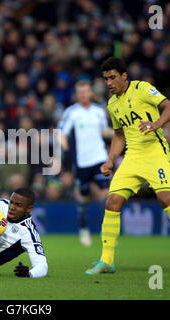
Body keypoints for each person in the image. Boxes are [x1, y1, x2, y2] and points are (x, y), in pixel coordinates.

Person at [85, 57, 170, 275]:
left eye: (112, 77)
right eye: (105, 79)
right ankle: (107, 260)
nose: (108, 83)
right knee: (113, 202)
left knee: (165, 198)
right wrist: (110, 160)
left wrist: (155, 124)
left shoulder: (143, 89)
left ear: (124, 76)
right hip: (133, 157)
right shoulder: (112, 104)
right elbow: (119, 135)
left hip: (156, 152)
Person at [60, 80, 113, 246]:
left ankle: (108, 232)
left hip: (100, 158)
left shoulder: (98, 111)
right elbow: (62, 132)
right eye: (80, 92)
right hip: (82, 162)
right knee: (83, 197)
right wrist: (65, 146)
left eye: (86, 91)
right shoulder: (72, 112)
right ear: (77, 95)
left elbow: (104, 131)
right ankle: (83, 229)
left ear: (91, 93)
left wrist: (119, 133)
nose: (84, 95)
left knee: (106, 194)